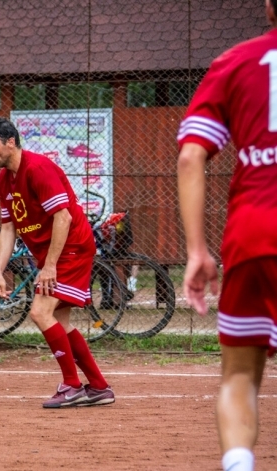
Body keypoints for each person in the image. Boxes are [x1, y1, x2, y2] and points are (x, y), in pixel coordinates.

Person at [177, 1, 277, 469]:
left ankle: (239, 463)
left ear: (268, 6)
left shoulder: (235, 62)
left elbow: (190, 156)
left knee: (240, 377)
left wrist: (197, 250)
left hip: (254, 235)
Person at [0, 117, 114, 408]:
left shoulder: (38, 168)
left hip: (72, 247)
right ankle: (100, 387)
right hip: (55, 253)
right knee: (59, 322)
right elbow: (7, 228)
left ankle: (72, 385)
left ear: (11, 142)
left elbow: (63, 217)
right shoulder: (3, 179)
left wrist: (50, 265)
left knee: (40, 312)